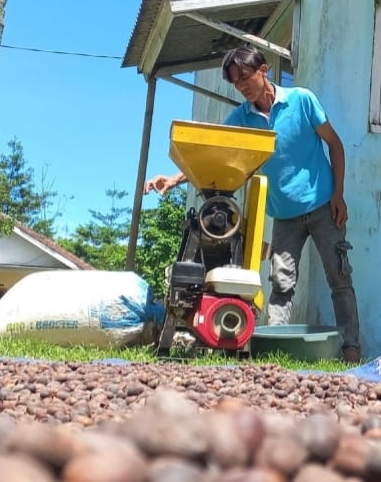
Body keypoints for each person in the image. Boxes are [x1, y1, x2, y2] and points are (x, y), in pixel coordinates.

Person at [144, 45, 362, 363]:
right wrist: (173, 179)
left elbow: (336, 145)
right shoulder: (242, 117)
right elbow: (214, 148)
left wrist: (339, 194)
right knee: (281, 283)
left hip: (323, 206)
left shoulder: (301, 100)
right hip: (284, 215)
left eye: (245, 77)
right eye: (235, 82)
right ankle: (276, 351)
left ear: (264, 71)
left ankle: (352, 348)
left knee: (339, 278)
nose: (242, 86)